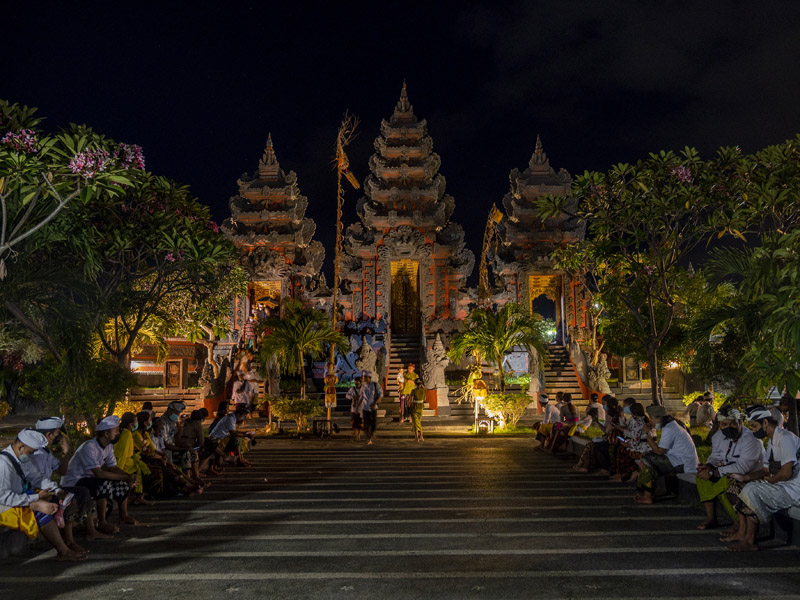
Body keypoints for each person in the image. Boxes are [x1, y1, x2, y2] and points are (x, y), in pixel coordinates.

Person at [0, 429, 86, 561]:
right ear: (21, 447)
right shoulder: (4, 465)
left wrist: (57, 490)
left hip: (19, 496)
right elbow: (4, 497)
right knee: (42, 511)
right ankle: (63, 551)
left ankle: (68, 543)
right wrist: (35, 500)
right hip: (4, 505)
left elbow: (37, 478)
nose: (32, 456)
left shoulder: (22, 457)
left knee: (55, 499)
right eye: (31, 452)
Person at [724, 406, 800, 552]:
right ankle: (742, 532)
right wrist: (744, 477)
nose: (752, 430)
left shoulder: (785, 438)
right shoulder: (772, 441)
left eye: (754, 426)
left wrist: (771, 480)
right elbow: (765, 470)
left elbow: (786, 473)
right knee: (736, 488)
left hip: (791, 490)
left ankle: (749, 540)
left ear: (765, 423)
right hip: (779, 485)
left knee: (751, 490)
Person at [27, 416, 108, 549]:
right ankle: (69, 541)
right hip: (39, 492)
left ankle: (91, 531)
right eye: (58, 433)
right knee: (68, 498)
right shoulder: (37, 454)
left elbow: (62, 471)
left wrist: (65, 452)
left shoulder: (46, 452)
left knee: (83, 491)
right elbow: (38, 481)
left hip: (49, 488)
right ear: (49, 434)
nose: (59, 436)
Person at [695, 407, 764, 530]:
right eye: (724, 424)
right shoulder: (718, 437)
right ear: (720, 425)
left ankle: (738, 523)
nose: (729, 427)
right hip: (728, 471)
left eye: (733, 423)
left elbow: (743, 468)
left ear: (740, 423)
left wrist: (713, 472)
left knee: (726, 484)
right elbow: (716, 456)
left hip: (750, 475)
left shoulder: (751, 439)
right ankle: (711, 518)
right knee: (701, 476)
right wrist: (709, 466)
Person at [62, 415, 137, 528]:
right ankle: (102, 522)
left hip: (89, 479)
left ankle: (123, 516)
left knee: (121, 484)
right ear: (106, 434)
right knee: (103, 483)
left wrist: (128, 477)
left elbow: (113, 467)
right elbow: (99, 473)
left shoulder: (108, 446)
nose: (118, 432)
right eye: (116, 430)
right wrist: (125, 477)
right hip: (75, 480)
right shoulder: (89, 447)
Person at [634, 405, 698, 505]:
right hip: (679, 460)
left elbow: (659, 451)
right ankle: (650, 492)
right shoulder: (671, 425)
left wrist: (647, 434)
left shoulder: (670, 429)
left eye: (652, 418)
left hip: (683, 463)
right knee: (648, 456)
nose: (651, 421)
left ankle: (647, 496)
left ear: (659, 417)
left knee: (647, 459)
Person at [113, 412, 152, 506]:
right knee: (141, 471)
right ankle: (136, 497)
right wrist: (118, 470)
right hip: (125, 463)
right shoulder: (126, 435)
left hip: (130, 461)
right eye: (136, 422)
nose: (137, 424)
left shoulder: (127, 433)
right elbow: (122, 453)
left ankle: (137, 496)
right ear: (131, 424)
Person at [610, 402, 651, 483]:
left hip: (642, 447)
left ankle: (631, 473)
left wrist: (627, 444)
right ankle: (622, 473)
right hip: (641, 445)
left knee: (624, 451)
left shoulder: (638, 422)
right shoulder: (638, 419)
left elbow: (635, 439)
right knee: (619, 449)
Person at [359, 371, 382, 445]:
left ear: (369, 377)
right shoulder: (363, 386)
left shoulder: (375, 385)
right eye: (363, 377)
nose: (363, 378)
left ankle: (371, 435)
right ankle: (368, 438)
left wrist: (375, 403)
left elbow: (380, 395)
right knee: (366, 424)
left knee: (373, 423)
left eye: (364, 377)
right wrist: (357, 408)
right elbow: (361, 397)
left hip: (373, 408)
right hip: (365, 407)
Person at [347, 376, 363, 441]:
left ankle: (358, 435)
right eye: (355, 382)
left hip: (360, 408)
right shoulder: (352, 389)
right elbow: (347, 395)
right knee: (354, 421)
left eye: (357, 382)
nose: (356, 383)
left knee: (359, 422)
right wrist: (353, 397)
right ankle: (355, 431)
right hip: (354, 407)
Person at [410, 378, 426, 442]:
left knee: (415, 423)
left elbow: (411, 400)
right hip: (421, 408)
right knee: (418, 422)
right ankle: (421, 437)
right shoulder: (423, 391)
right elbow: (425, 399)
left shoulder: (413, 391)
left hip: (414, 408)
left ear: (415, 383)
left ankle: (417, 437)